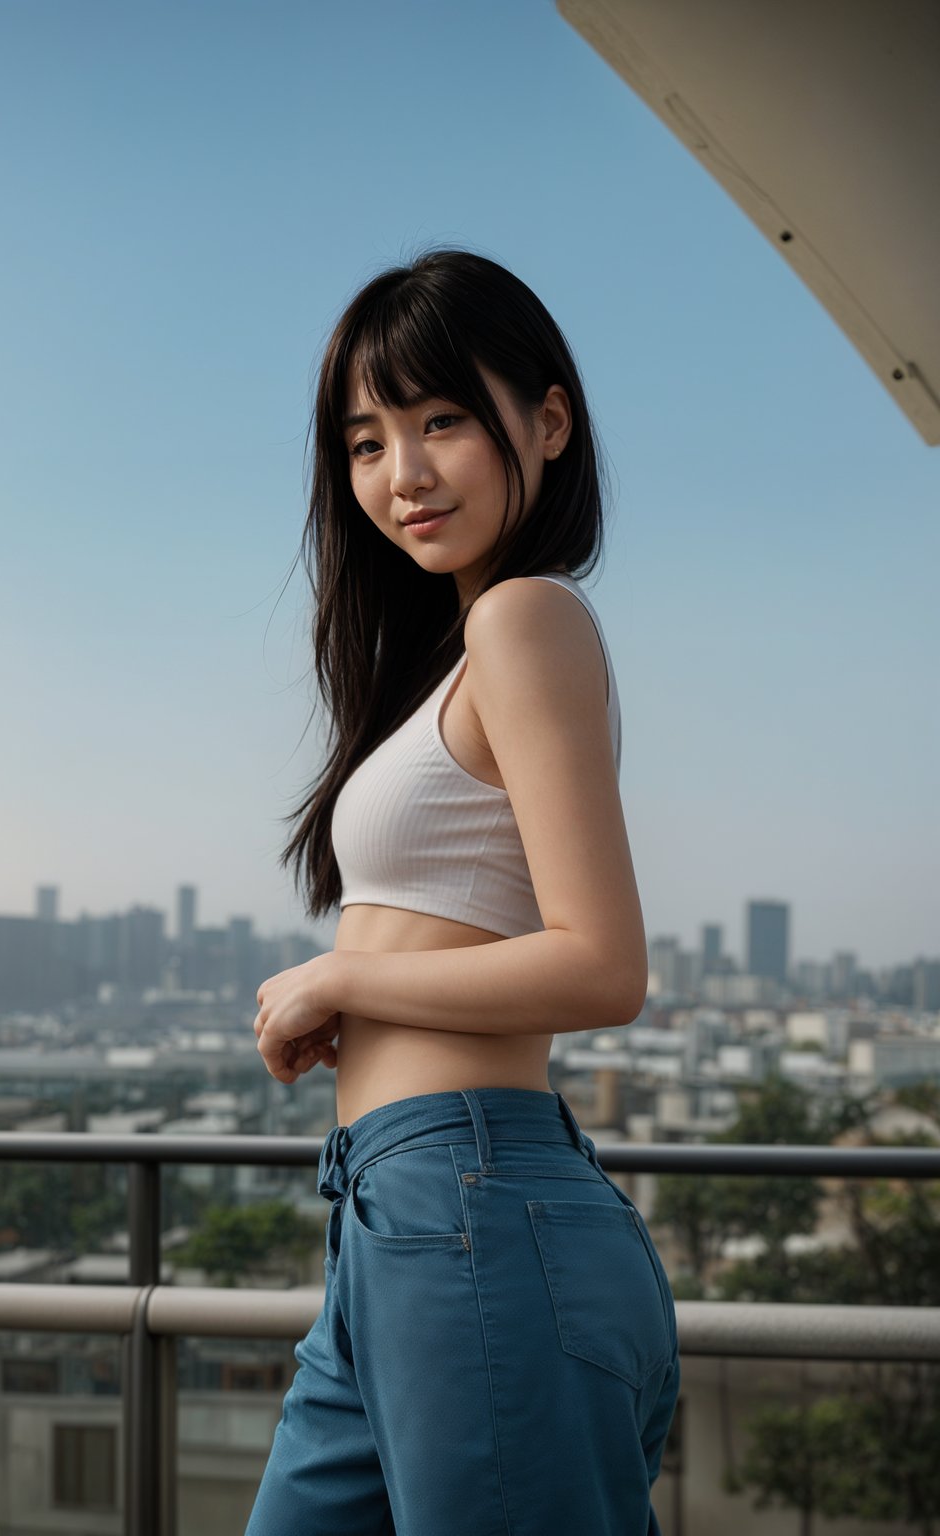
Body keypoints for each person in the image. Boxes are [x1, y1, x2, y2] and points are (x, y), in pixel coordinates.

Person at [245, 248, 680, 1536]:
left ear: (546, 422)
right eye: (367, 440)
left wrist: (342, 977)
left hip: (471, 1206)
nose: (403, 475)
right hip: (396, 1218)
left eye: (442, 421)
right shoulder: (455, 650)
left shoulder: (525, 618)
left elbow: (604, 967)